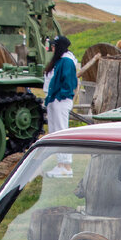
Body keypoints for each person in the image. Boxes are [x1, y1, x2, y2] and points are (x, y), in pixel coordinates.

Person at [43, 35, 78, 178]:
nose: (52, 48)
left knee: (62, 130)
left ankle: (66, 165)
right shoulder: (59, 61)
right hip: (54, 100)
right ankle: (60, 164)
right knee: (55, 131)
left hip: (60, 101)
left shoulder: (67, 61)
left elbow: (69, 83)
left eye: (54, 45)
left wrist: (60, 96)